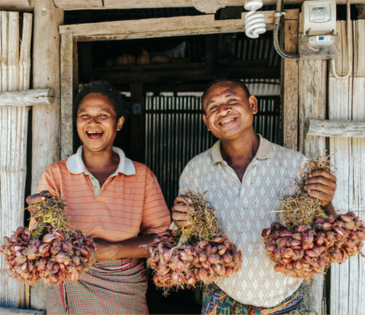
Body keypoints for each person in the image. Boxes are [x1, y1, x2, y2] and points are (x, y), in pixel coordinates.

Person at [172, 78, 337, 314]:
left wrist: (327, 202)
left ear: (253, 104)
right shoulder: (195, 171)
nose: (223, 110)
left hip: (285, 302)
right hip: (222, 300)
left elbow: (327, 233)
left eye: (231, 100)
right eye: (212, 107)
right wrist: (182, 225)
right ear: (206, 122)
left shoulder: (294, 164)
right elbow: (185, 244)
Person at [26, 80, 171, 314]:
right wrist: (38, 216)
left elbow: (162, 239)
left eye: (103, 115)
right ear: (76, 123)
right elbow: (40, 238)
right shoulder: (56, 174)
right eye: (84, 115)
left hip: (123, 293)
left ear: (119, 123)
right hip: (69, 284)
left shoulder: (142, 176)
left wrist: (114, 250)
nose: (92, 122)